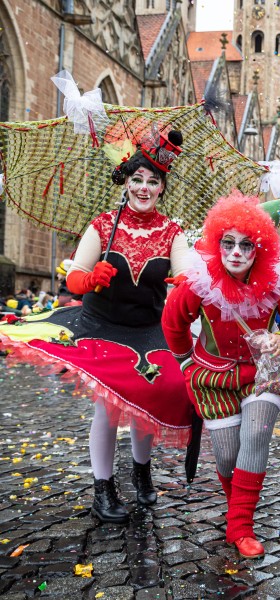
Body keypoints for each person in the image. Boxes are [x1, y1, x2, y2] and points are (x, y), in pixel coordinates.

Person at [0, 130, 195, 523]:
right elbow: (75, 276)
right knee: (108, 410)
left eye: (153, 181)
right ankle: (103, 489)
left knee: (152, 396)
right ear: (126, 182)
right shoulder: (104, 225)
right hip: (102, 326)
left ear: (162, 188)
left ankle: (142, 471)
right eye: (137, 179)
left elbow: (188, 273)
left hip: (148, 328)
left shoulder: (172, 232)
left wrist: (186, 283)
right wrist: (88, 280)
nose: (144, 187)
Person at [162, 191, 280, 559]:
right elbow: (173, 325)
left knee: (255, 438)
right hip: (212, 377)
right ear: (216, 244)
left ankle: (241, 527)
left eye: (245, 245)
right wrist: (186, 365)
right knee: (228, 457)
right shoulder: (197, 282)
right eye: (227, 243)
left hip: (263, 373)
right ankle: (239, 510)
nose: (235, 252)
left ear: (258, 249)